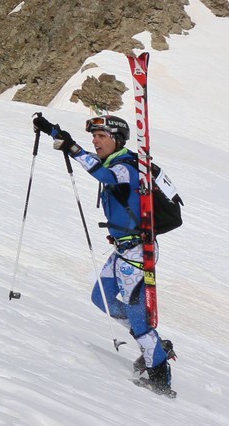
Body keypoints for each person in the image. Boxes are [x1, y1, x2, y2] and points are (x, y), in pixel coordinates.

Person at [32, 112, 176, 397]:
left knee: (137, 318)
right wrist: (52, 131)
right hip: (122, 249)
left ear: (116, 139)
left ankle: (160, 376)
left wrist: (73, 148)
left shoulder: (125, 167)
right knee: (102, 298)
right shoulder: (115, 162)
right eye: (93, 137)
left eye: (101, 136)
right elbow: (100, 167)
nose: (95, 141)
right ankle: (153, 343)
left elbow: (103, 174)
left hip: (137, 253)